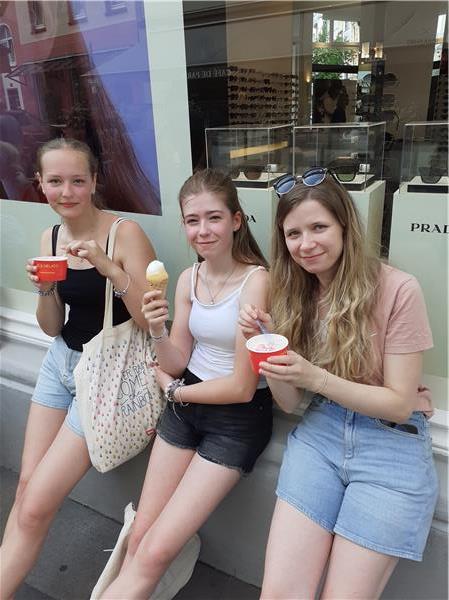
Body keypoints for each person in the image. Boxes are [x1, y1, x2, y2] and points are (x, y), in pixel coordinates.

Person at [239, 168, 439, 599]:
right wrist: (267, 352)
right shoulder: (295, 292)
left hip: (391, 445)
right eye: (293, 234)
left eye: (319, 227)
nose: (306, 244)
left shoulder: (398, 289)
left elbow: (399, 403)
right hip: (322, 435)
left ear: (345, 227)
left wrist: (316, 376)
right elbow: (289, 403)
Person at [100, 168, 273, 599]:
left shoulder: (257, 282)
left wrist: (173, 392)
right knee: (140, 535)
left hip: (235, 420)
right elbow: (176, 361)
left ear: (236, 220)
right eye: (193, 220)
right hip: (186, 406)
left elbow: (242, 386)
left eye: (214, 218)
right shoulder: (187, 279)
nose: (203, 230)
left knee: (155, 552)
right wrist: (157, 329)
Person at [0, 137, 156, 598]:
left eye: (76, 181)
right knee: (26, 487)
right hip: (60, 362)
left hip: (105, 373)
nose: (66, 192)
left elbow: (150, 321)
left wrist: (108, 267)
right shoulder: (50, 238)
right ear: (40, 184)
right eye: (55, 181)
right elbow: (52, 327)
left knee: (34, 506)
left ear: (93, 182)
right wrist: (45, 289)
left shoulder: (124, 233)